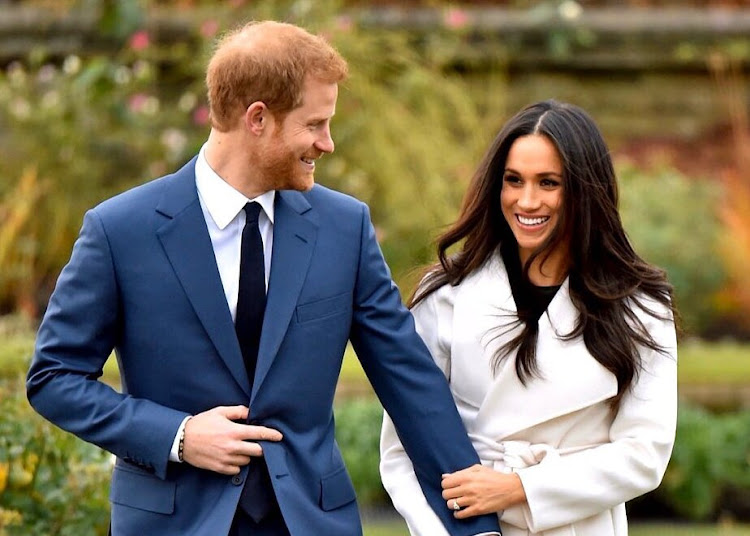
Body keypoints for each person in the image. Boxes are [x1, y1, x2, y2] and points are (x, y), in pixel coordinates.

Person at [26, 21, 501, 536]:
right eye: (315, 124)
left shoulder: (344, 228)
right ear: (258, 119)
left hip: (311, 522)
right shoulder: (120, 230)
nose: (328, 143)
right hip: (173, 523)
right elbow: (54, 378)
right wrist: (178, 435)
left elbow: (411, 383)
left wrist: (478, 528)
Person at [380, 99, 678, 536]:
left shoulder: (641, 308)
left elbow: (644, 454)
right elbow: (401, 450)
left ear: (584, 190)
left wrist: (521, 488)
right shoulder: (445, 296)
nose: (527, 200)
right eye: (513, 180)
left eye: (549, 183)